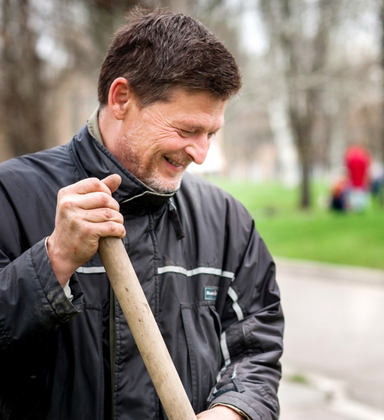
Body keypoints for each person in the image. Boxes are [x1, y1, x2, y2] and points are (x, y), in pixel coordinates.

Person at [0, 9, 283, 420]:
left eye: (211, 134)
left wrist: (234, 410)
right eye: (187, 131)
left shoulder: (225, 221)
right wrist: (54, 261)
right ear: (121, 99)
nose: (201, 155)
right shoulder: (10, 196)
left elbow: (257, 346)